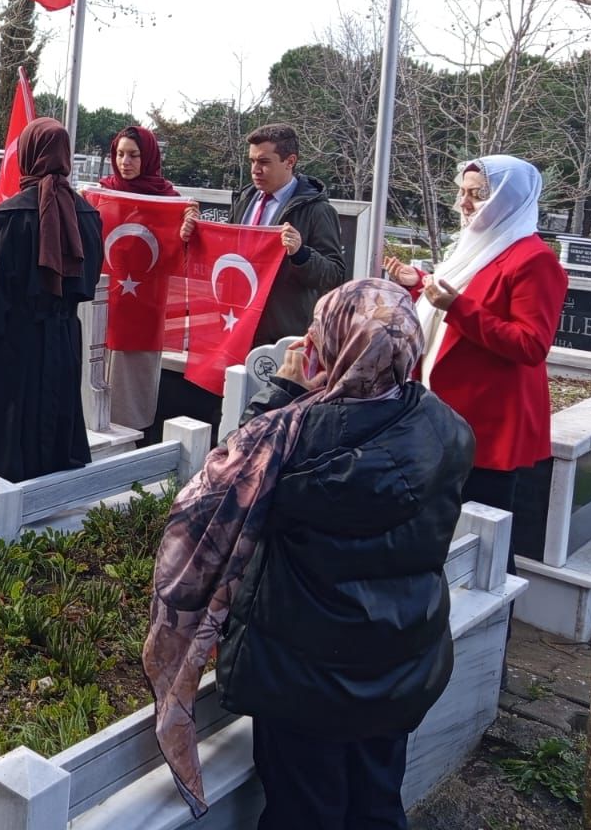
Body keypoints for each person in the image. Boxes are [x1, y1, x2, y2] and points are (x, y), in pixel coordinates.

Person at [144, 279, 473, 828]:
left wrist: (286, 390)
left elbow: (231, 476)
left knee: (303, 808)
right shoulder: (443, 426)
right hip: (401, 658)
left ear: (341, 348)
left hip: (307, 672)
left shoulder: (296, 437)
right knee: (376, 801)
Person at [384, 155, 567, 537]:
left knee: (484, 541)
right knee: (443, 532)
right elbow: (461, 297)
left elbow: (531, 345)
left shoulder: (534, 259)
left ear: (508, 198)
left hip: (487, 423)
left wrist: (456, 308)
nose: (463, 203)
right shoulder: (480, 244)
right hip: (445, 414)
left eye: (478, 194)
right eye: (462, 192)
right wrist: (418, 282)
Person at [0, 117, 105, 481]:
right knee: (56, 425)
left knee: (14, 440)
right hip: (65, 340)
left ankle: (9, 527)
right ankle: (51, 515)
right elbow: (90, 277)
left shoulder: (13, 218)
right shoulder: (87, 216)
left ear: (29, 155)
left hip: (18, 344)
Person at [180, 122, 345, 346]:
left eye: (264, 162)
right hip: (235, 325)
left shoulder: (317, 210)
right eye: (252, 161)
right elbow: (228, 257)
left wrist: (301, 254)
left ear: (290, 162)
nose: (255, 170)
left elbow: (335, 274)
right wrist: (195, 237)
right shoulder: (244, 199)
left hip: (281, 337)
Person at [100, 125, 181, 434]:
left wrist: (185, 230)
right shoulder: (103, 193)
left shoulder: (167, 200)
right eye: (120, 154)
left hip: (142, 310)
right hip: (104, 306)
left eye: (133, 155)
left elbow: (174, 257)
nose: (125, 162)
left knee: (130, 400)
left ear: (148, 157)